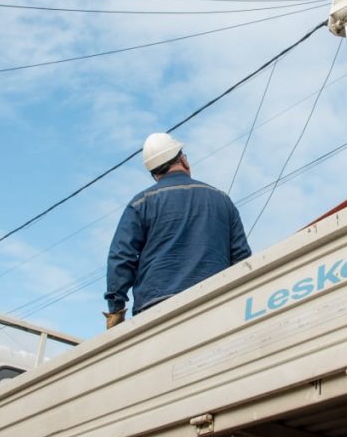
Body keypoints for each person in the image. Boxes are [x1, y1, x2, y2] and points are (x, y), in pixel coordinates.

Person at [104, 132, 251, 328]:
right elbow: (242, 257)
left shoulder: (141, 204)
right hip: (215, 303)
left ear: (154, 174)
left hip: (155, 309)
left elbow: (121, 258)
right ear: (183, 159)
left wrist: (116, 310)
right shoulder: (222, 200)